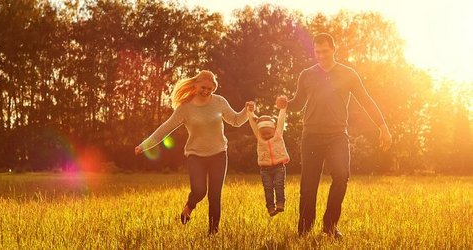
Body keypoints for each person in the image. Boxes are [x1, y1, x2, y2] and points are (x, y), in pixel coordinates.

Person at [276, 33, 392, 238]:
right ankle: (304, 229)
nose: (321, 55)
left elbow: (365, 100)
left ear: (333, 49)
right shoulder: (306, 75)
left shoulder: (348, 74)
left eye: (325, 51)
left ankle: (329, 226)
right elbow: (298, 102)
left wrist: (383, 126)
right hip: (311, 135)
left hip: (337, 135)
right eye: (317, 52)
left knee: (341, 176)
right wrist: (285, 103)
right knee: (308, 185)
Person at [135, 70, 251, 234]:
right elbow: (165, 128)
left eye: (210, 89)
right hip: (196, 156)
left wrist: (247, 110)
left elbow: (236, 120)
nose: (206, 92)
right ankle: (189, 206)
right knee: (199, 190)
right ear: (195, 85)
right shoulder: (185, 108)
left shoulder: (219, 102)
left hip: (219, 154)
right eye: (203, 87)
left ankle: (213, 233)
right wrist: (144, 145)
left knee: (215, 196)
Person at [246, 101, 290, 217]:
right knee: (268, 188)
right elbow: (252, 123)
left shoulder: (278, 134)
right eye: (263, 134)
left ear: (273, 129)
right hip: (265, 169)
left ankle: (280, 203)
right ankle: (270, 207)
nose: (265, 136)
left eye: (268, 133)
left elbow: (281, 121)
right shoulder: (259, 137)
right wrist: (250, 111)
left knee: (279, 185)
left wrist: (283, 108)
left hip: (279, 167)